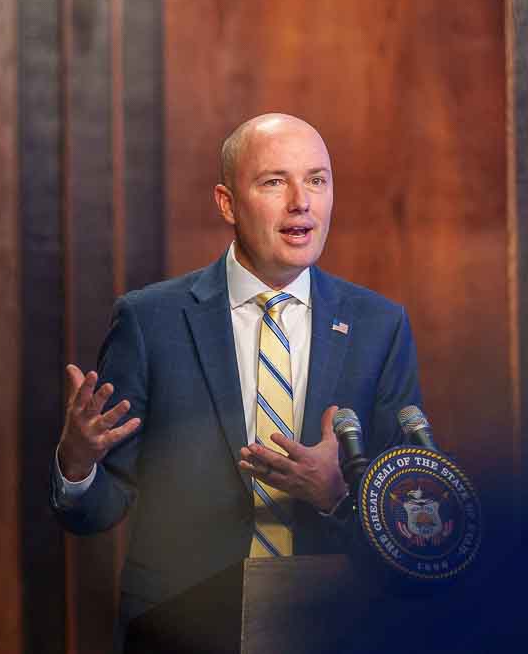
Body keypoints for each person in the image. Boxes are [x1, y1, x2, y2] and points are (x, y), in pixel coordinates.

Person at [50, 112, 423, 643]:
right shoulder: (152, 321)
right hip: (182, 628)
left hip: (334, 627)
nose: (302, 201)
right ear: (227, 203)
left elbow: (414, 517)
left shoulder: (379, 327)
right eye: (275, 181)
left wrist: (337, 494)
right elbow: (96, 511)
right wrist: (78, 462)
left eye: (317, 180)